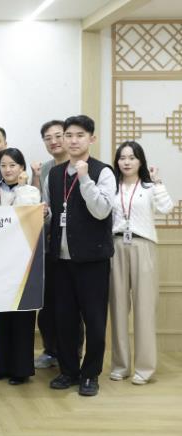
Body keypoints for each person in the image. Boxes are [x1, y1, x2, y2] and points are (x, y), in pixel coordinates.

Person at [44, 115, 115, 397]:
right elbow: (52, 213)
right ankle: (69, 371)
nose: (72, 141)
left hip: (92, 260)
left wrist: (84, 177)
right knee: (64, 319)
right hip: (60, 260)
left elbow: (101, 210)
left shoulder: (103, 172)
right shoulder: (54, 174)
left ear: (91, 139)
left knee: (94, 320)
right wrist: (43, 213)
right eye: (68, 135)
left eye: (79, 135)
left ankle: (90, 375)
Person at [109, 141, 173, 385]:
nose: (126, 162)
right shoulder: (112, 187)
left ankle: (144, 369)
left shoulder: (149, 187)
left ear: (140, 161)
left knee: (144, 308)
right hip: (116, 246)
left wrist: (158, 182)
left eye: (132, 157)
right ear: (117, 161)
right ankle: (120, 365)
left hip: (143, 245)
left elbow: (166, 208)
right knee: (117, 307)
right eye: (122, 157)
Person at [0, 148, 40, 385]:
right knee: (1, 313)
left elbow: (26, 213)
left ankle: (21, 369)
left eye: (12, 165)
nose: (7, 170)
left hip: (24, 259)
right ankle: (3, 366)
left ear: (21, 168)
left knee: (22, 315)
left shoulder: (30, 191)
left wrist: (21, 187)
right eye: (3, 165)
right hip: (0, 260)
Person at [31, 120, 70, 369]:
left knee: (70, 305)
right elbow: (35, 204)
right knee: (46, 304)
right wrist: (35, 178)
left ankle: (71, 353)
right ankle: (50, 350)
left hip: (72, 248)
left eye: (58, 135)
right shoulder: (44, 169)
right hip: (46, 246)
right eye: (48, 138)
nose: (53, 141)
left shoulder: (81, 167)